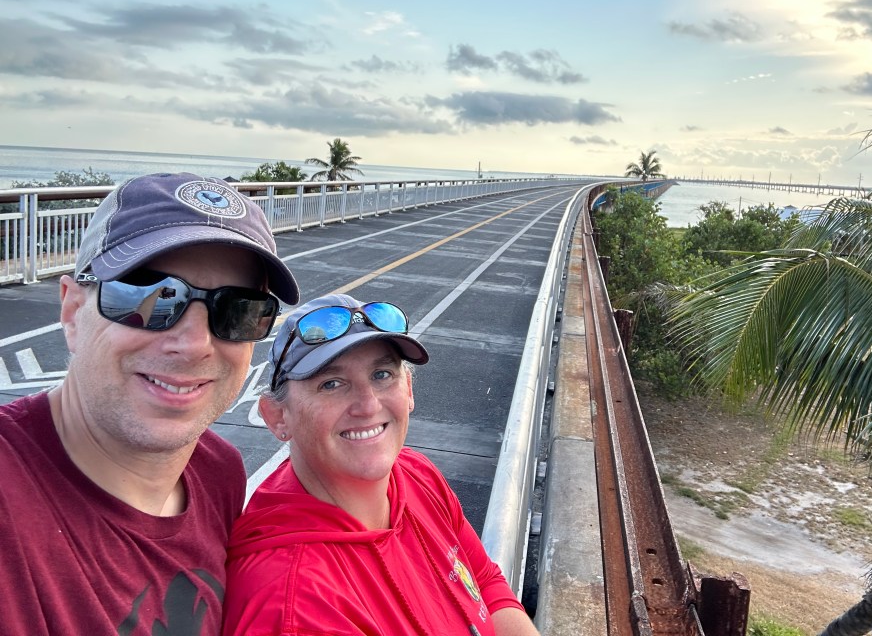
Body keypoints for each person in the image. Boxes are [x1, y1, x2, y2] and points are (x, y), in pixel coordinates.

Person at [0, 172, 300, 635]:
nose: (196, 344)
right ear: (72, 310)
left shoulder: (216, 470)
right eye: (152, 297)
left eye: (237, 310)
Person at [222, 293, 541, 636]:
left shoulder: (415, 474)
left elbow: (486, 586)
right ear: (277, 417)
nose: (368, 404)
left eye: (382, 374)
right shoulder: (296, 607)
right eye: (331, 383)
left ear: (409, 390)